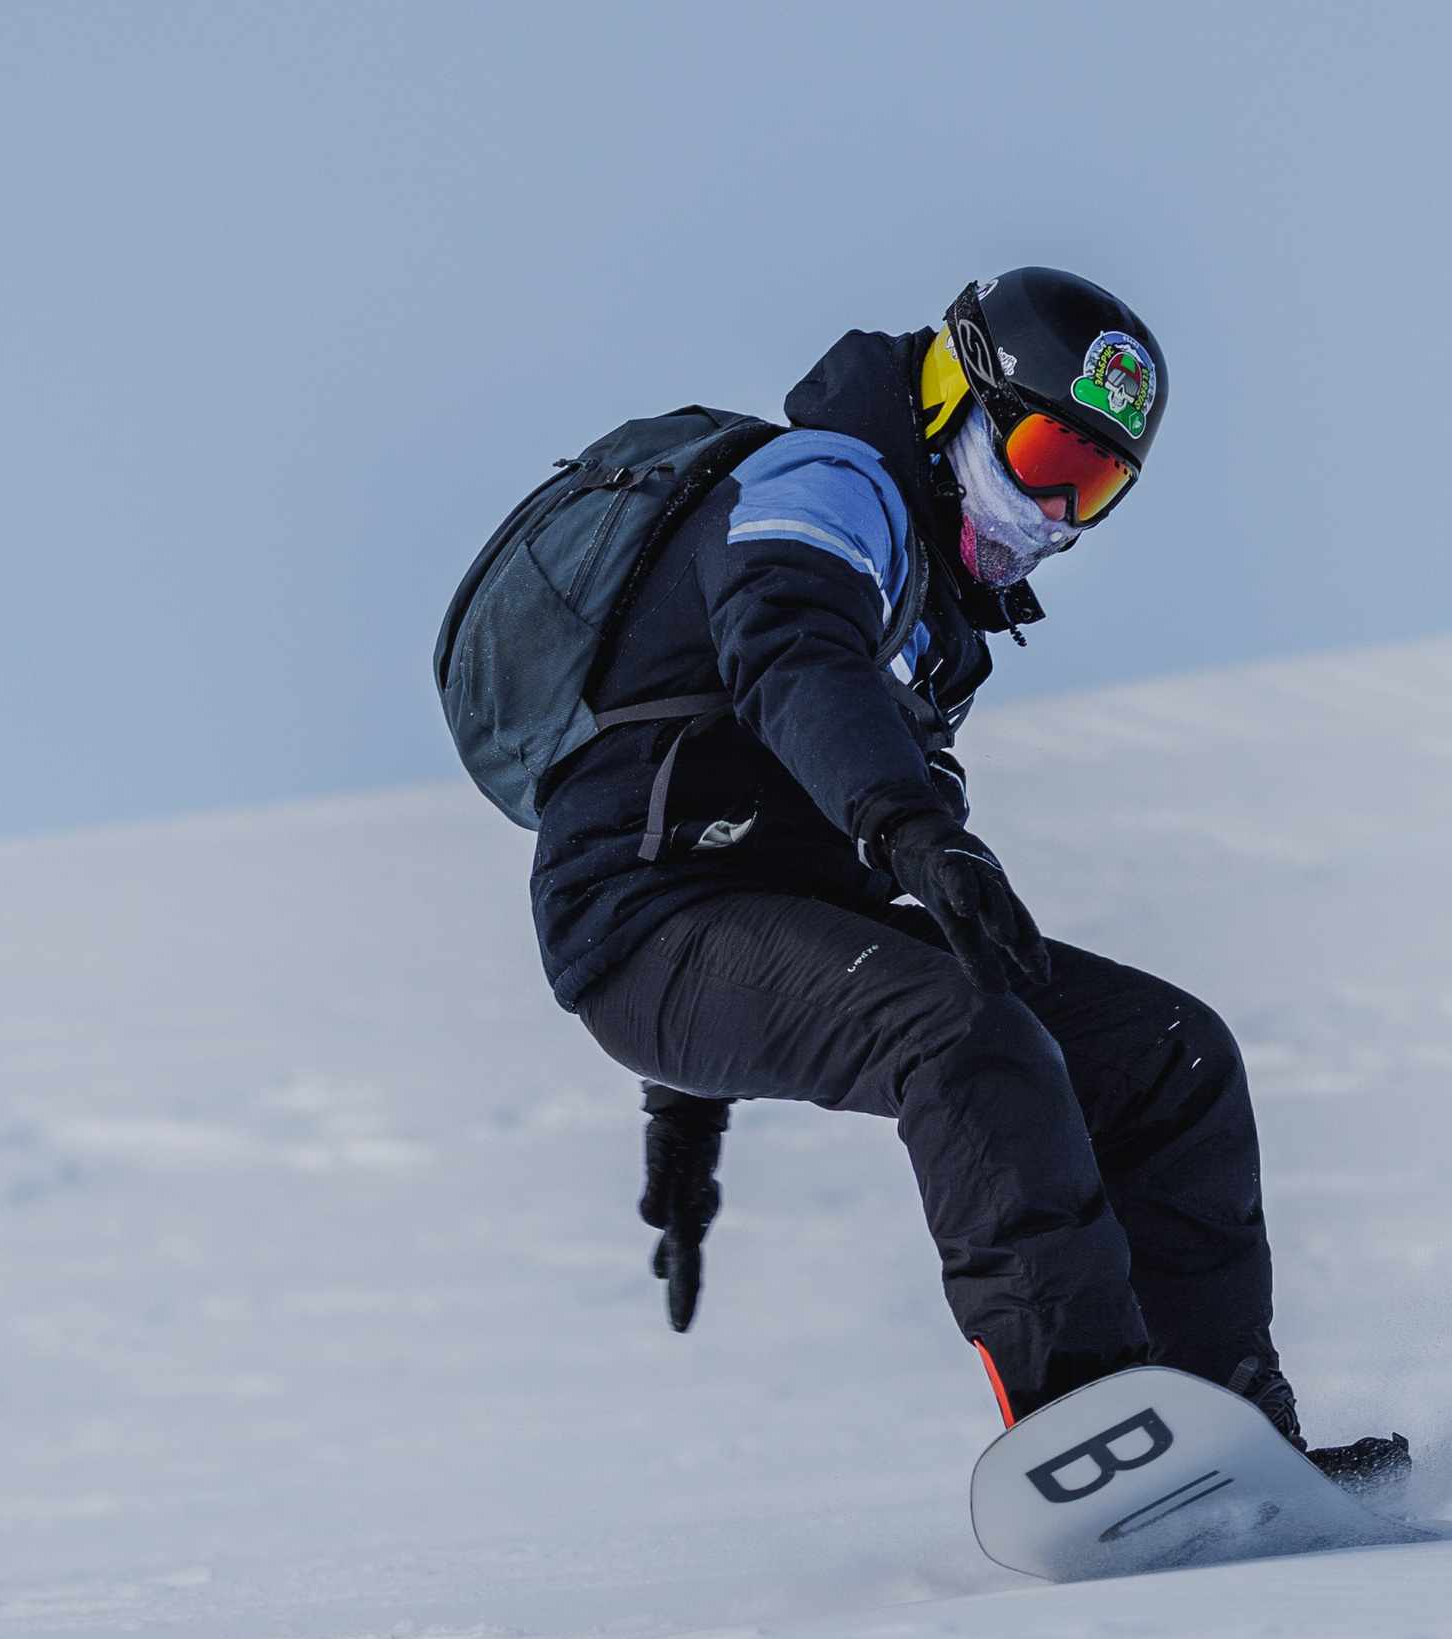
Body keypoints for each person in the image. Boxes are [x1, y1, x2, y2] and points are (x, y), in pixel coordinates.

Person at [530, 268, 1402, 1485]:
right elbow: (788, 646)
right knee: (962, 1036)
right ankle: (1094, 1434)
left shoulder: (934, 616)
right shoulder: (822, 482)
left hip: (768, 913)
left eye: (1094, 485)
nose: (1056, 509)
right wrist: (910, 828)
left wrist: (686, 1105)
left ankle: (1234, 1438)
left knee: (1165, 1053)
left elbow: (790, 807)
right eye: (1047, 452)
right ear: (955, 394)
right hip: (641, 919)